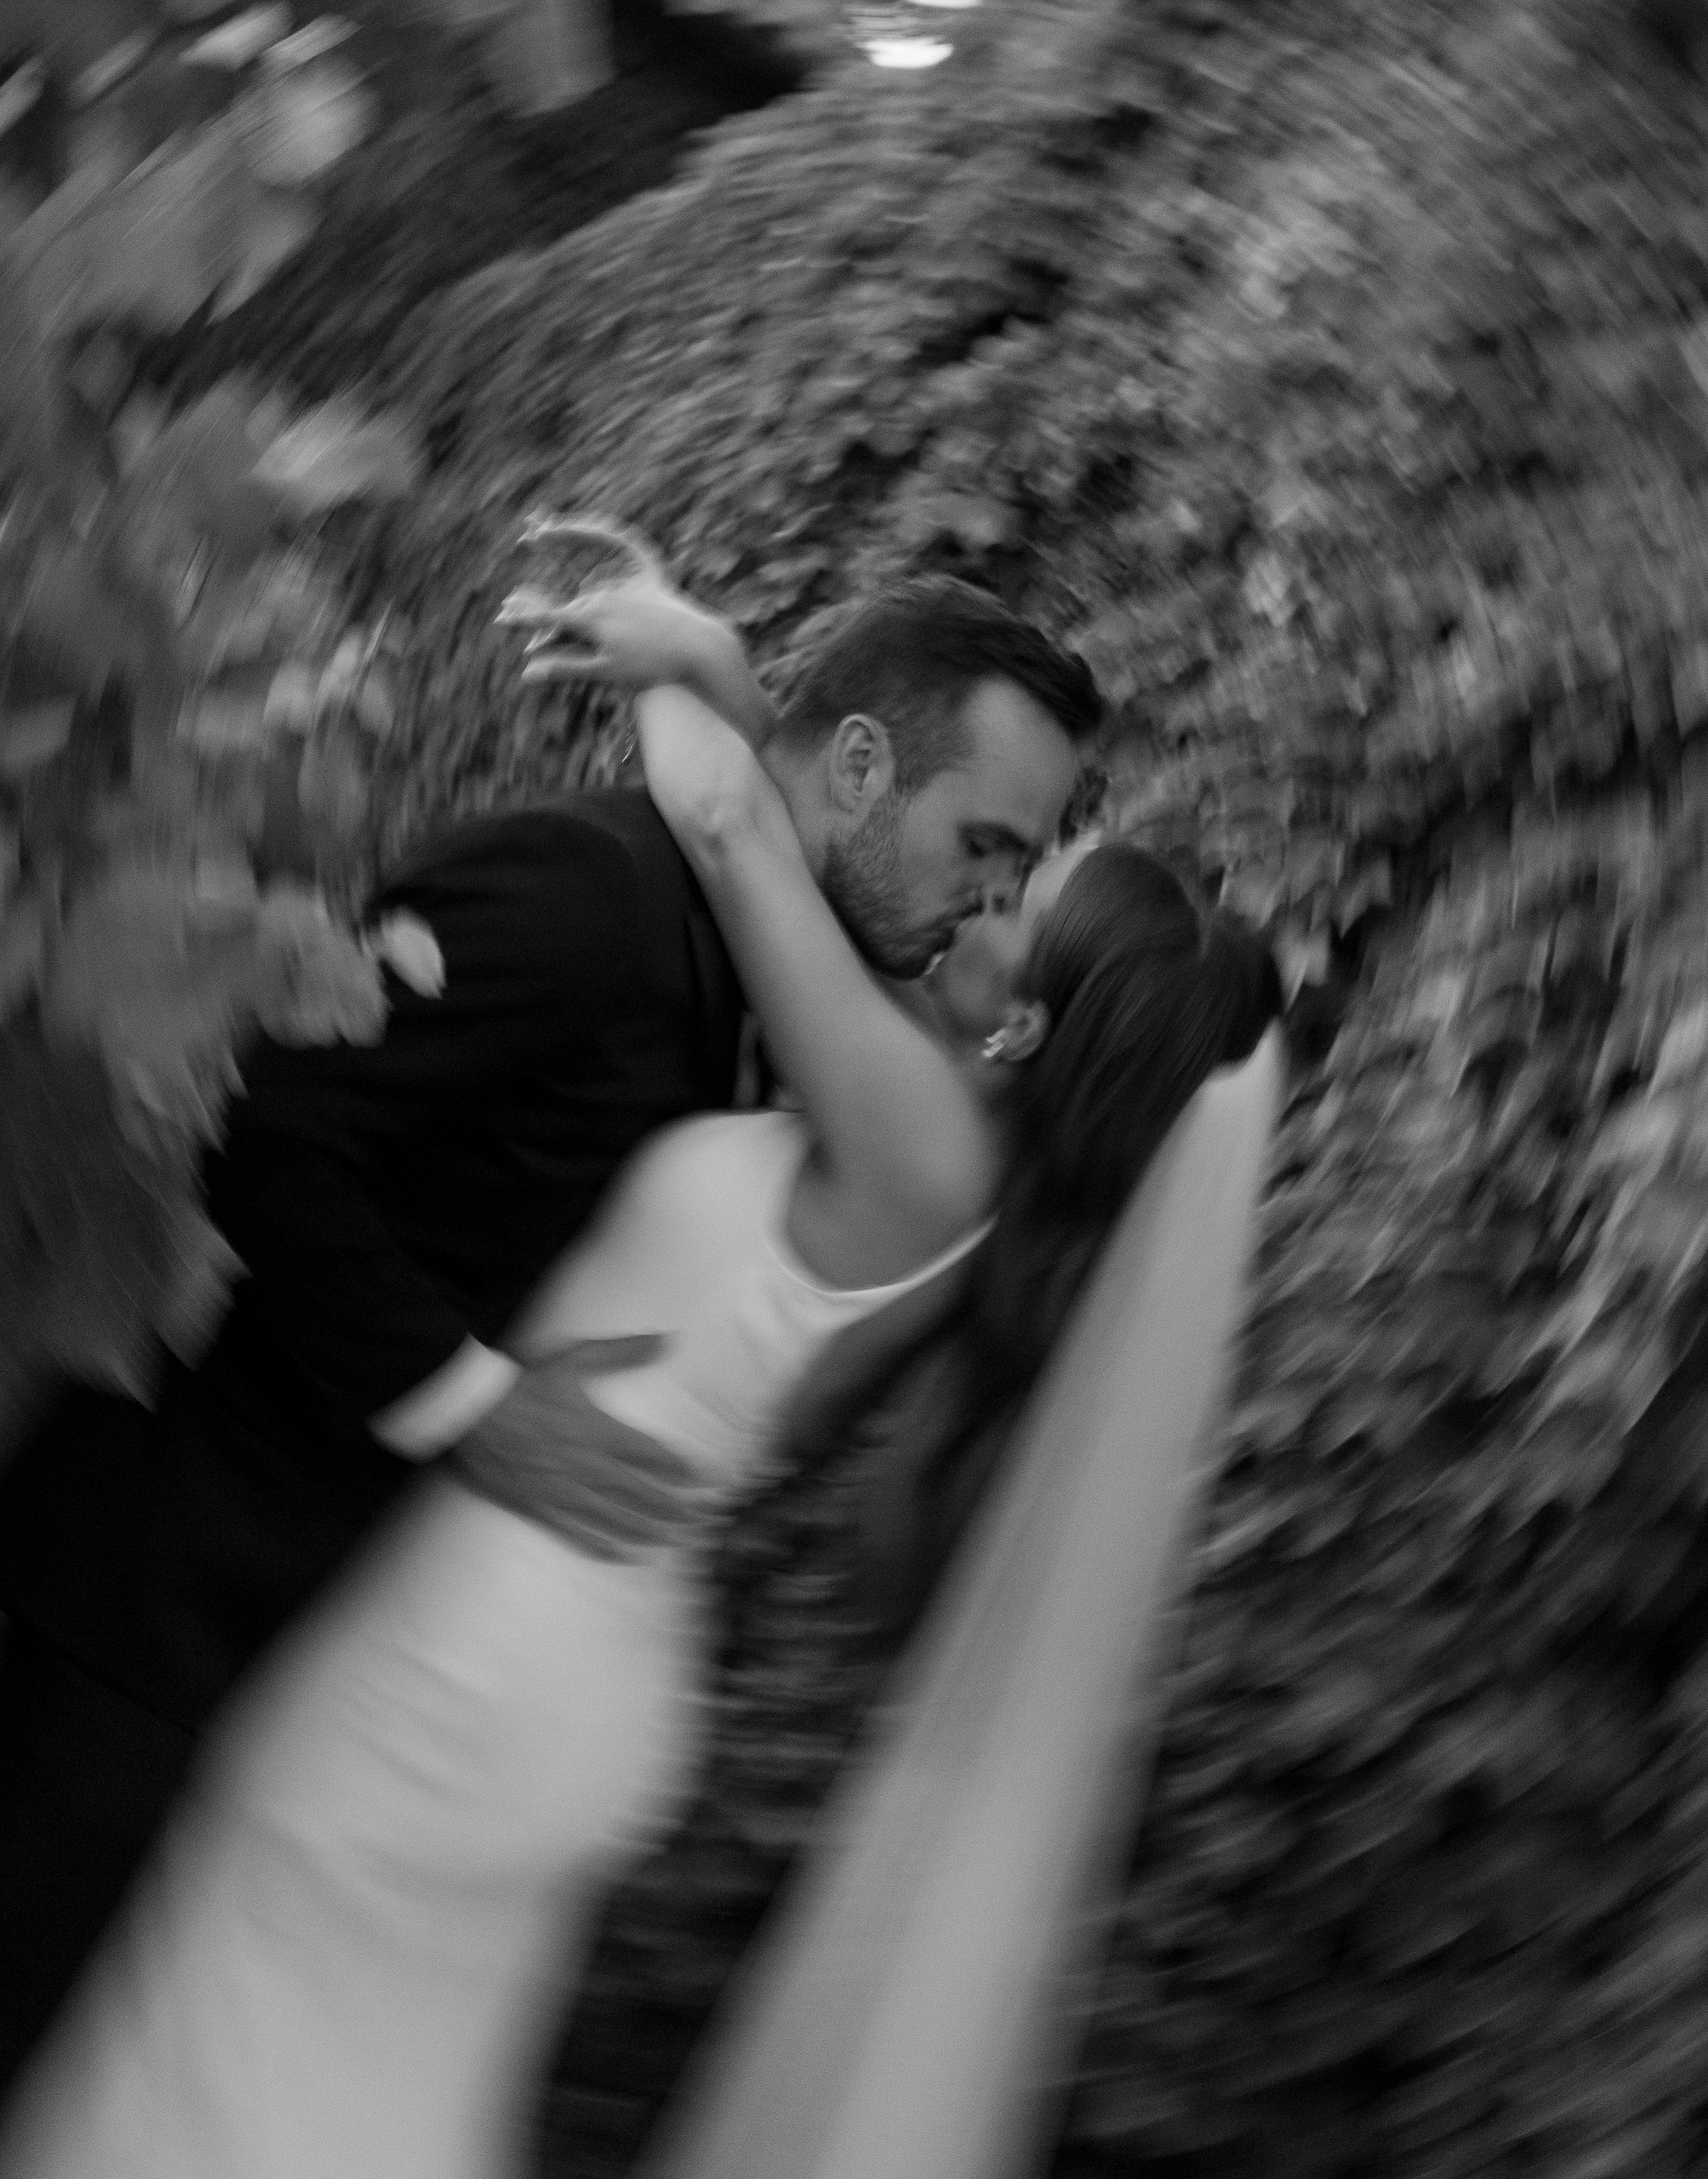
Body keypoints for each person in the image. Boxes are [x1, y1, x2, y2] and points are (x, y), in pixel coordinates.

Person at [0, 590, 1277, 2179]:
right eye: (996, 852)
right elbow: (776, 844)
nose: (985, 897)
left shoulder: (922, 1148)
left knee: (215, 2046)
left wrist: (695, 668)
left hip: (482, 1642)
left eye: (1019, 882)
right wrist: (773, 712)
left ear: (1028, 1020)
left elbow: (745, 819)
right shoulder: (856, 1062)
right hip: (500, 1633)